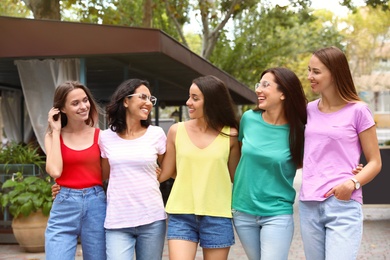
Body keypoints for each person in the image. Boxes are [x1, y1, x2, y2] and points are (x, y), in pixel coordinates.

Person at [299, 46, 382, 260]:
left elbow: (375, 162)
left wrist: (352, 183)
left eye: (316, 72)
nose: (310, 76)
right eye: (309, 70)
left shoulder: (359, 111)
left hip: (343, 203)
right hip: (309, 204)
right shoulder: (308, 110)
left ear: (335, 73)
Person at [158, 75, 241, 260]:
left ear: (212, 101)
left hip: (218, 216)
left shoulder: (231, 135)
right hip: (181, 214)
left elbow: (237, 178)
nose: (188, 102)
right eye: (189, 97)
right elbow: (166, 173)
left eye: (195, 98)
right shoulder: (176, 131)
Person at [231, 67, 307, 260]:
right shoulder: (249, 119)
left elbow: (308, 162)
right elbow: (242, 157)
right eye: (258, 84)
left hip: (277, 212)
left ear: (283, 93)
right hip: (243, 211)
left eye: (266, 85)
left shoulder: (299, 130)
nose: (258, 90)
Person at [100, 78, 167, 260]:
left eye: (151, 99)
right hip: (117, 221)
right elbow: (103, 175)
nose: (148, 103)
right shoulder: (105, 138)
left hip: (152, 219)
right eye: (143, 97)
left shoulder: (157, 134)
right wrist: (62, 185)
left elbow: (168, 169)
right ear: (126, 100)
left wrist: (157, 176)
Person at [45, 81, 107, 260]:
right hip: (64, 205)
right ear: (61, 109)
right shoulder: (52, 136)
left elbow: (106, 174)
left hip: (96, 204)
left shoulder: (101, 136)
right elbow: (55, 171)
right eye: (75, 103)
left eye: (85, 100)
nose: (83, 106)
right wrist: (56, 131)